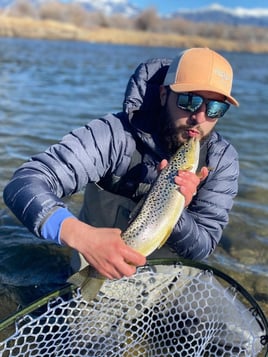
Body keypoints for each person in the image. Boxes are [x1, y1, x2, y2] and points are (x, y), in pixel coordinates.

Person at [3, 47, 239, 281]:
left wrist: (177, 211)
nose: (199, 117)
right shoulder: (114, 136)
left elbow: (203, 247)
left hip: (166, 285)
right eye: (189, 100)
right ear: (163, 94)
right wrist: (79, 235)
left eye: (216, 108)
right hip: (93, 271)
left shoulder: (222, 161)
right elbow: (24, 183)